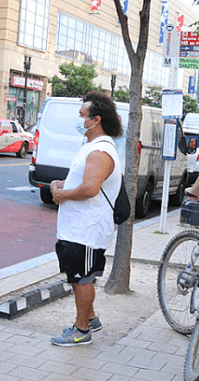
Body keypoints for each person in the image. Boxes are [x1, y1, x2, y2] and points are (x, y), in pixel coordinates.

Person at [48, 90, 123, 346]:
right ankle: (90, 318)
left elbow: (90, 189)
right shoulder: (90, 147)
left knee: (83, 278)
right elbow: (85, 181)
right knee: (77, 275)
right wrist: (64, 184)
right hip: (76, 228)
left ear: (96, 120)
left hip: (87, 230)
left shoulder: (101, 151)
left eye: (82, 115)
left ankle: (81, 330)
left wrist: (62, 195)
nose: (79, 119)